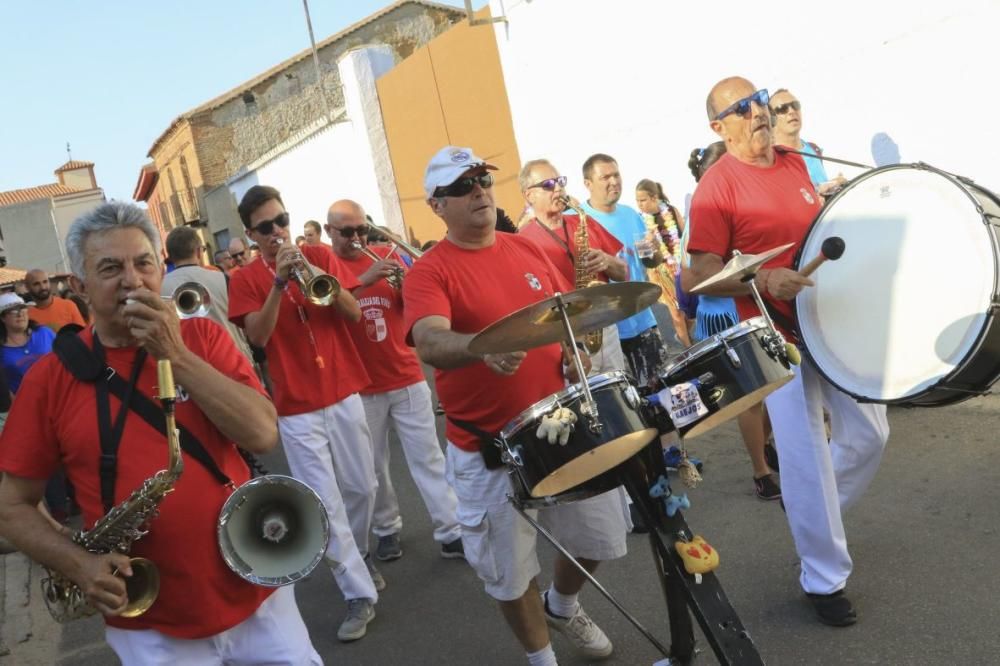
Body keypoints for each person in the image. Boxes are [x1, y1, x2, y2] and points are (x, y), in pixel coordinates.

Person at [0, 201, 320, 665]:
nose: (131, 280)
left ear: (160, 267)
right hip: (150, 625)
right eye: (110, 267)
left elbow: (261, 434)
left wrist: (177, 355)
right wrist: (79, 564)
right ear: (79, 286)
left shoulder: (203, 341)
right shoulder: (49, 381)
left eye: (143, 263)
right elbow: (11, 506)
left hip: (258, 590)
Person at [404, 145, 628, 665]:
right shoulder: (429, 272)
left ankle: (563, 603)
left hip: (559, 425)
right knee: (508, 572)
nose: (479, 190)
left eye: (482, 179)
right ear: (437, 206)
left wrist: (577, 357)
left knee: (602, 534)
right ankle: (541, 659)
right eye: (462, 186)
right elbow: (430, 341)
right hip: (489, 447)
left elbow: (564, 320)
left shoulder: (525, 251)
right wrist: (482, 348)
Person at [683, 76, 889, 626]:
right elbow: (698, 276)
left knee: (872, 434)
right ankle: (822, 578)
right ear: (718, 127)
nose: (758, 111)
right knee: (803, 458)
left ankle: (816, 517)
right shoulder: (716, 188)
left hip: (828, 321)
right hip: (772, 339)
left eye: (759, 100)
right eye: (742, 107)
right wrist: (764, 278)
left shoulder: (796, 163)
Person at [227, 185, 382, 642]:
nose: (277, 232)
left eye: (282, 221)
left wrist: (313, 272)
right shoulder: (246, 279)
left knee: (363, 486)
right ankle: (358, 591)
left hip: (343, 390)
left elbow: (352, 313)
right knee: (324, 502)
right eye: (265, 228)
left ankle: (361, 555)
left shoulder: (319, 255)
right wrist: (278, 282)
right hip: (296, 407)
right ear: (250, 234)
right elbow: (257, 336)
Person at [326, 199, 464, 562]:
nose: (357, 238)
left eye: (362, 229)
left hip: (405, 374)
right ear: (329, 232)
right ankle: (386, 528)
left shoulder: (387, 253)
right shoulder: (327, 267)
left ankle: (450, 529)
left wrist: (406, 286)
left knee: (429, 457)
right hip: (361, 384)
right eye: (347, 231)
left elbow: (416, 306)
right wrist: (362, 280)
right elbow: (326, 312)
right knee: (373, 467)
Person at [684, 142, 779, 500]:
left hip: (755, 310)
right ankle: (761, 470)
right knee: (750, 397)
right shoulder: (703, 210)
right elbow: (690, 280)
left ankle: (767, 444)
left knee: (776, 388)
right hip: (723, 315)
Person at [517, 158, 629, 376]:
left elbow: (624, 273)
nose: (558, 188)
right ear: (529, 195)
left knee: (621, 391)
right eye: (548, 185)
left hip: (604, 326)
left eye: (560, 181)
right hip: (570, 338)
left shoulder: (582, 221)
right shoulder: (523, 242)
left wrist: (607, 260)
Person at [580, 154, 670, 390]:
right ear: (588, 183)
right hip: (607, 333)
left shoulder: (630, 214)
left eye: (616, 175)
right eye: (605, 177)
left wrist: (655, 253)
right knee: (627, 407)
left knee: (662, 401)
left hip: (643, 321)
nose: (613, 181)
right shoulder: (577, 221)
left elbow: (650, 263)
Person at [161, 226, 254, 363]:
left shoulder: (159, 287)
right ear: (198, 252)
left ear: (171, 256)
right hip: (234, 361)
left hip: (190, 369)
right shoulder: (223, 278)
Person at [634, 180, 693, 347]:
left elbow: (685, 237)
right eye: (637, 200)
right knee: (676, 312)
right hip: (660, 271)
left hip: (680, 265)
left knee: (689, 311)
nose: (639, 204)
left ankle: (684, 335)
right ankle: (690, 350)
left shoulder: (671, 211)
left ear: (654, 198)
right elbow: (645, 257)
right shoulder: (640, 221)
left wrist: (687, 261)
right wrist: (649, 245)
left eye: (643, 200)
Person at [769, 88, 847, 195]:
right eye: (782, 109)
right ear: (771, 119)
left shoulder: (813, 149)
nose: (792, 111)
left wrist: (835, 185)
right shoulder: (770, 158)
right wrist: (820, 189)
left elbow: (821, 187)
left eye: (795, 105)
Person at [1, 292, 56, 394]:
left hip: (57, 395)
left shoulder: (44, 333)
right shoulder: (2, 349)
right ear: (3, 318)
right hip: (24, 404)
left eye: (23, 308)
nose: (20, 313)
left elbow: (65, 360)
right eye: (13, 310)